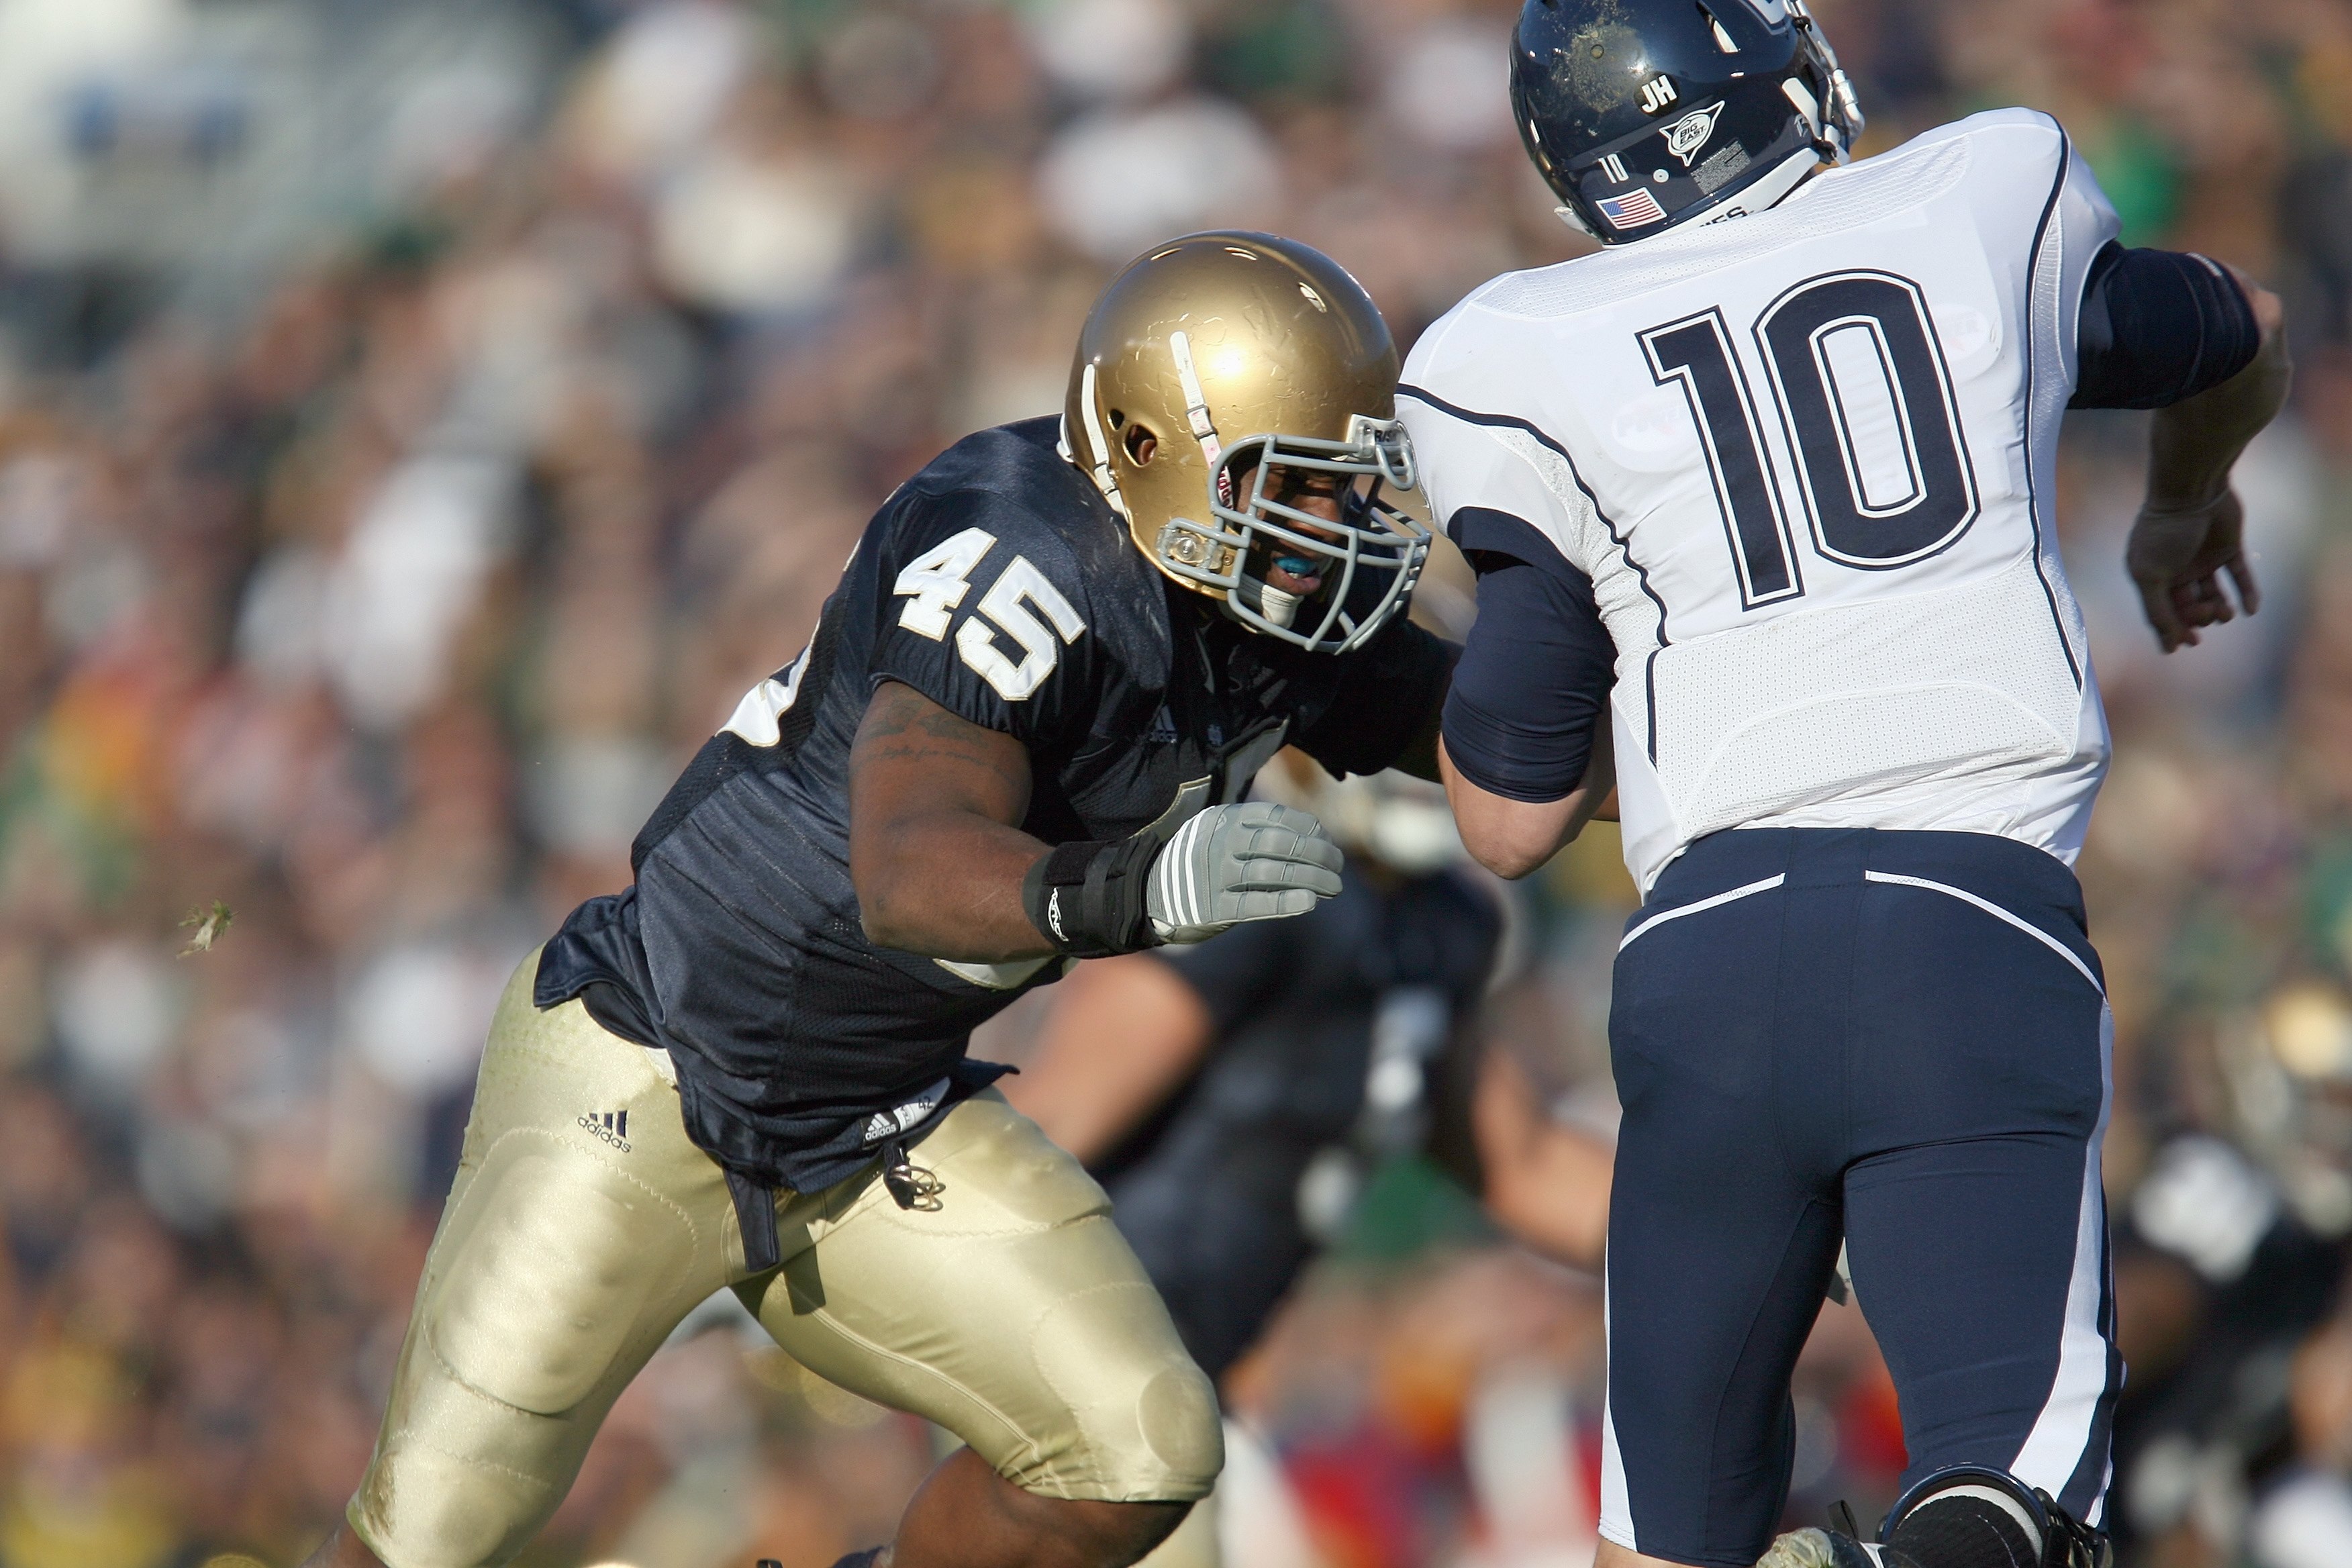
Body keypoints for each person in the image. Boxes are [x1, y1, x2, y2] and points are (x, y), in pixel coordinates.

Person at [300, 231, 1458, 1568]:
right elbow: (907, 871)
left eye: (1344, 486)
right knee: (423, 1544)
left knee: (1136, 1448)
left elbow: (1516, 743)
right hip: (647, 1070)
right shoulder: (1026, 549)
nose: (1333, 525)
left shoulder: (1270, 608)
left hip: (876, 1123)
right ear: (1152, 451)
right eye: (1293, 487)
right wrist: (1129, 888)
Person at [1394, 3, 2292, 1567]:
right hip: (1969, 922)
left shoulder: (1511, 353)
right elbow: (2246, 324)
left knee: (1655, 1542)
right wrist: (2179, 502)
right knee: (2006, 1502)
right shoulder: (1968, 200)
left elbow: (1505, 818)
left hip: (1701, 960)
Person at [1006, 757, 1616, 1567]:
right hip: (1098, 1384)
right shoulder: (1251, 889)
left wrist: (1756, 1236)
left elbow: (1527, 1163)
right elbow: (1041, 1137)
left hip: (1205, 1391)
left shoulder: (1436, 924)